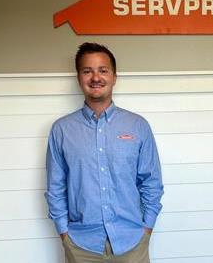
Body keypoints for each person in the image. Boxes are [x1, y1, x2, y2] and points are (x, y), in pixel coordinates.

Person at [45, 42, 164, 263]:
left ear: (114, 76)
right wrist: (64, 234)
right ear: (78, 77)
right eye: (87, 71)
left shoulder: (138, 126)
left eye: (103, 70)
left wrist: (146, 229)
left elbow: (151, 182)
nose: (95, 77)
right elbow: (55, 187)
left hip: (132, 243)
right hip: (81, 245)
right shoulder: (61, 130)